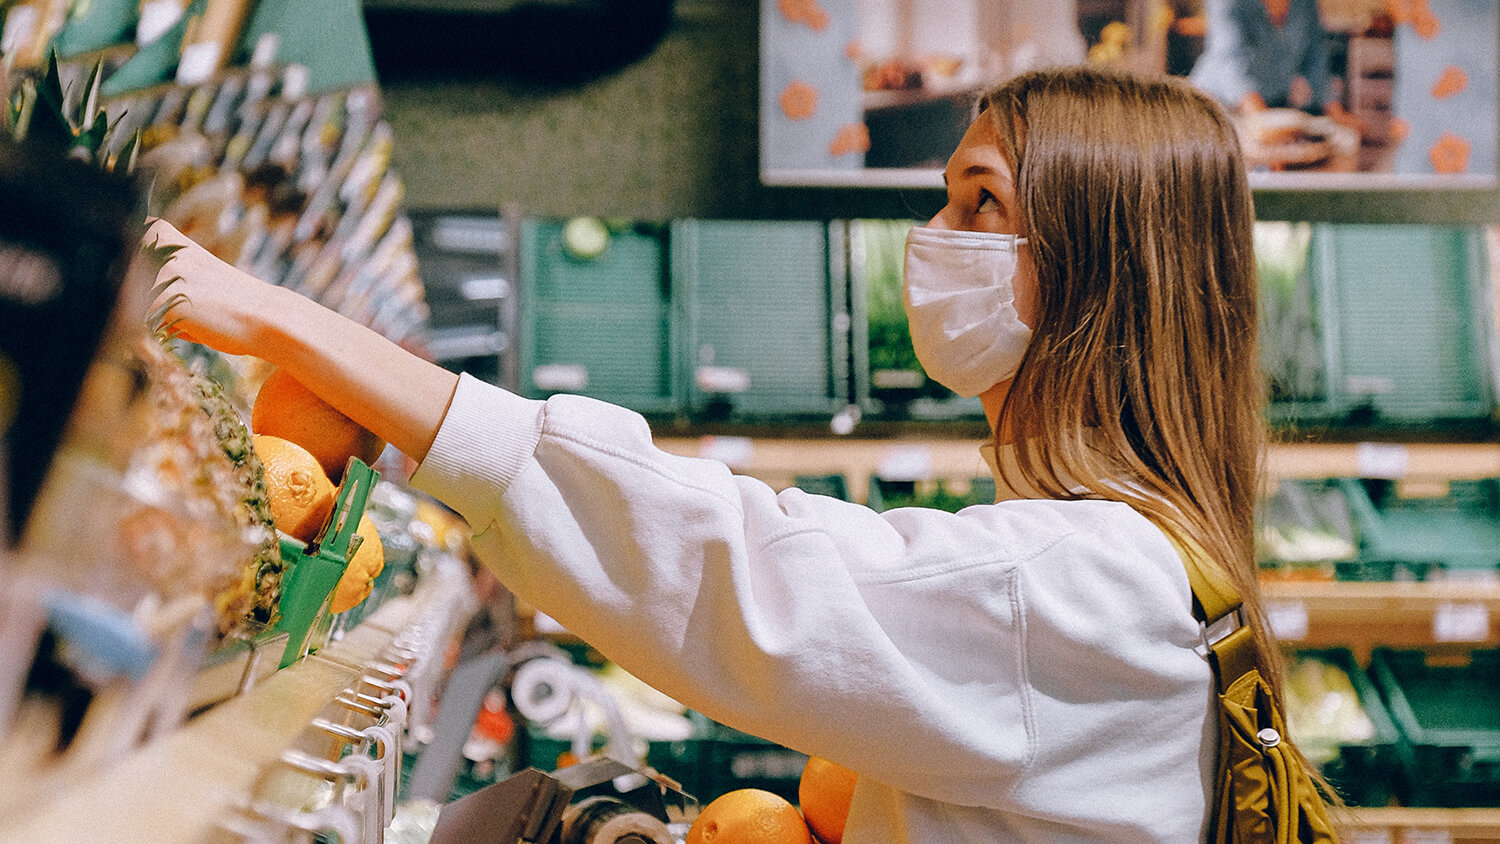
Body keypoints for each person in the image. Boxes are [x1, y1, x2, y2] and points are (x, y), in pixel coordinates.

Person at [148, 65, 1330, 842]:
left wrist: (281, 319)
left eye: (981, 203)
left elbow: (736, 566)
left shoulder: (1076, 582)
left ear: (1097, 259)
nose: (935, 239)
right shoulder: (1148, 558)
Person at [1190, 0, 1361, 131]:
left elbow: (1315, 55)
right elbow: (1230, 59)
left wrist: (1335, 112)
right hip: (1217, 109)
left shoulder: (1305, 4)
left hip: (1269, 106)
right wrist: (1264, 124)